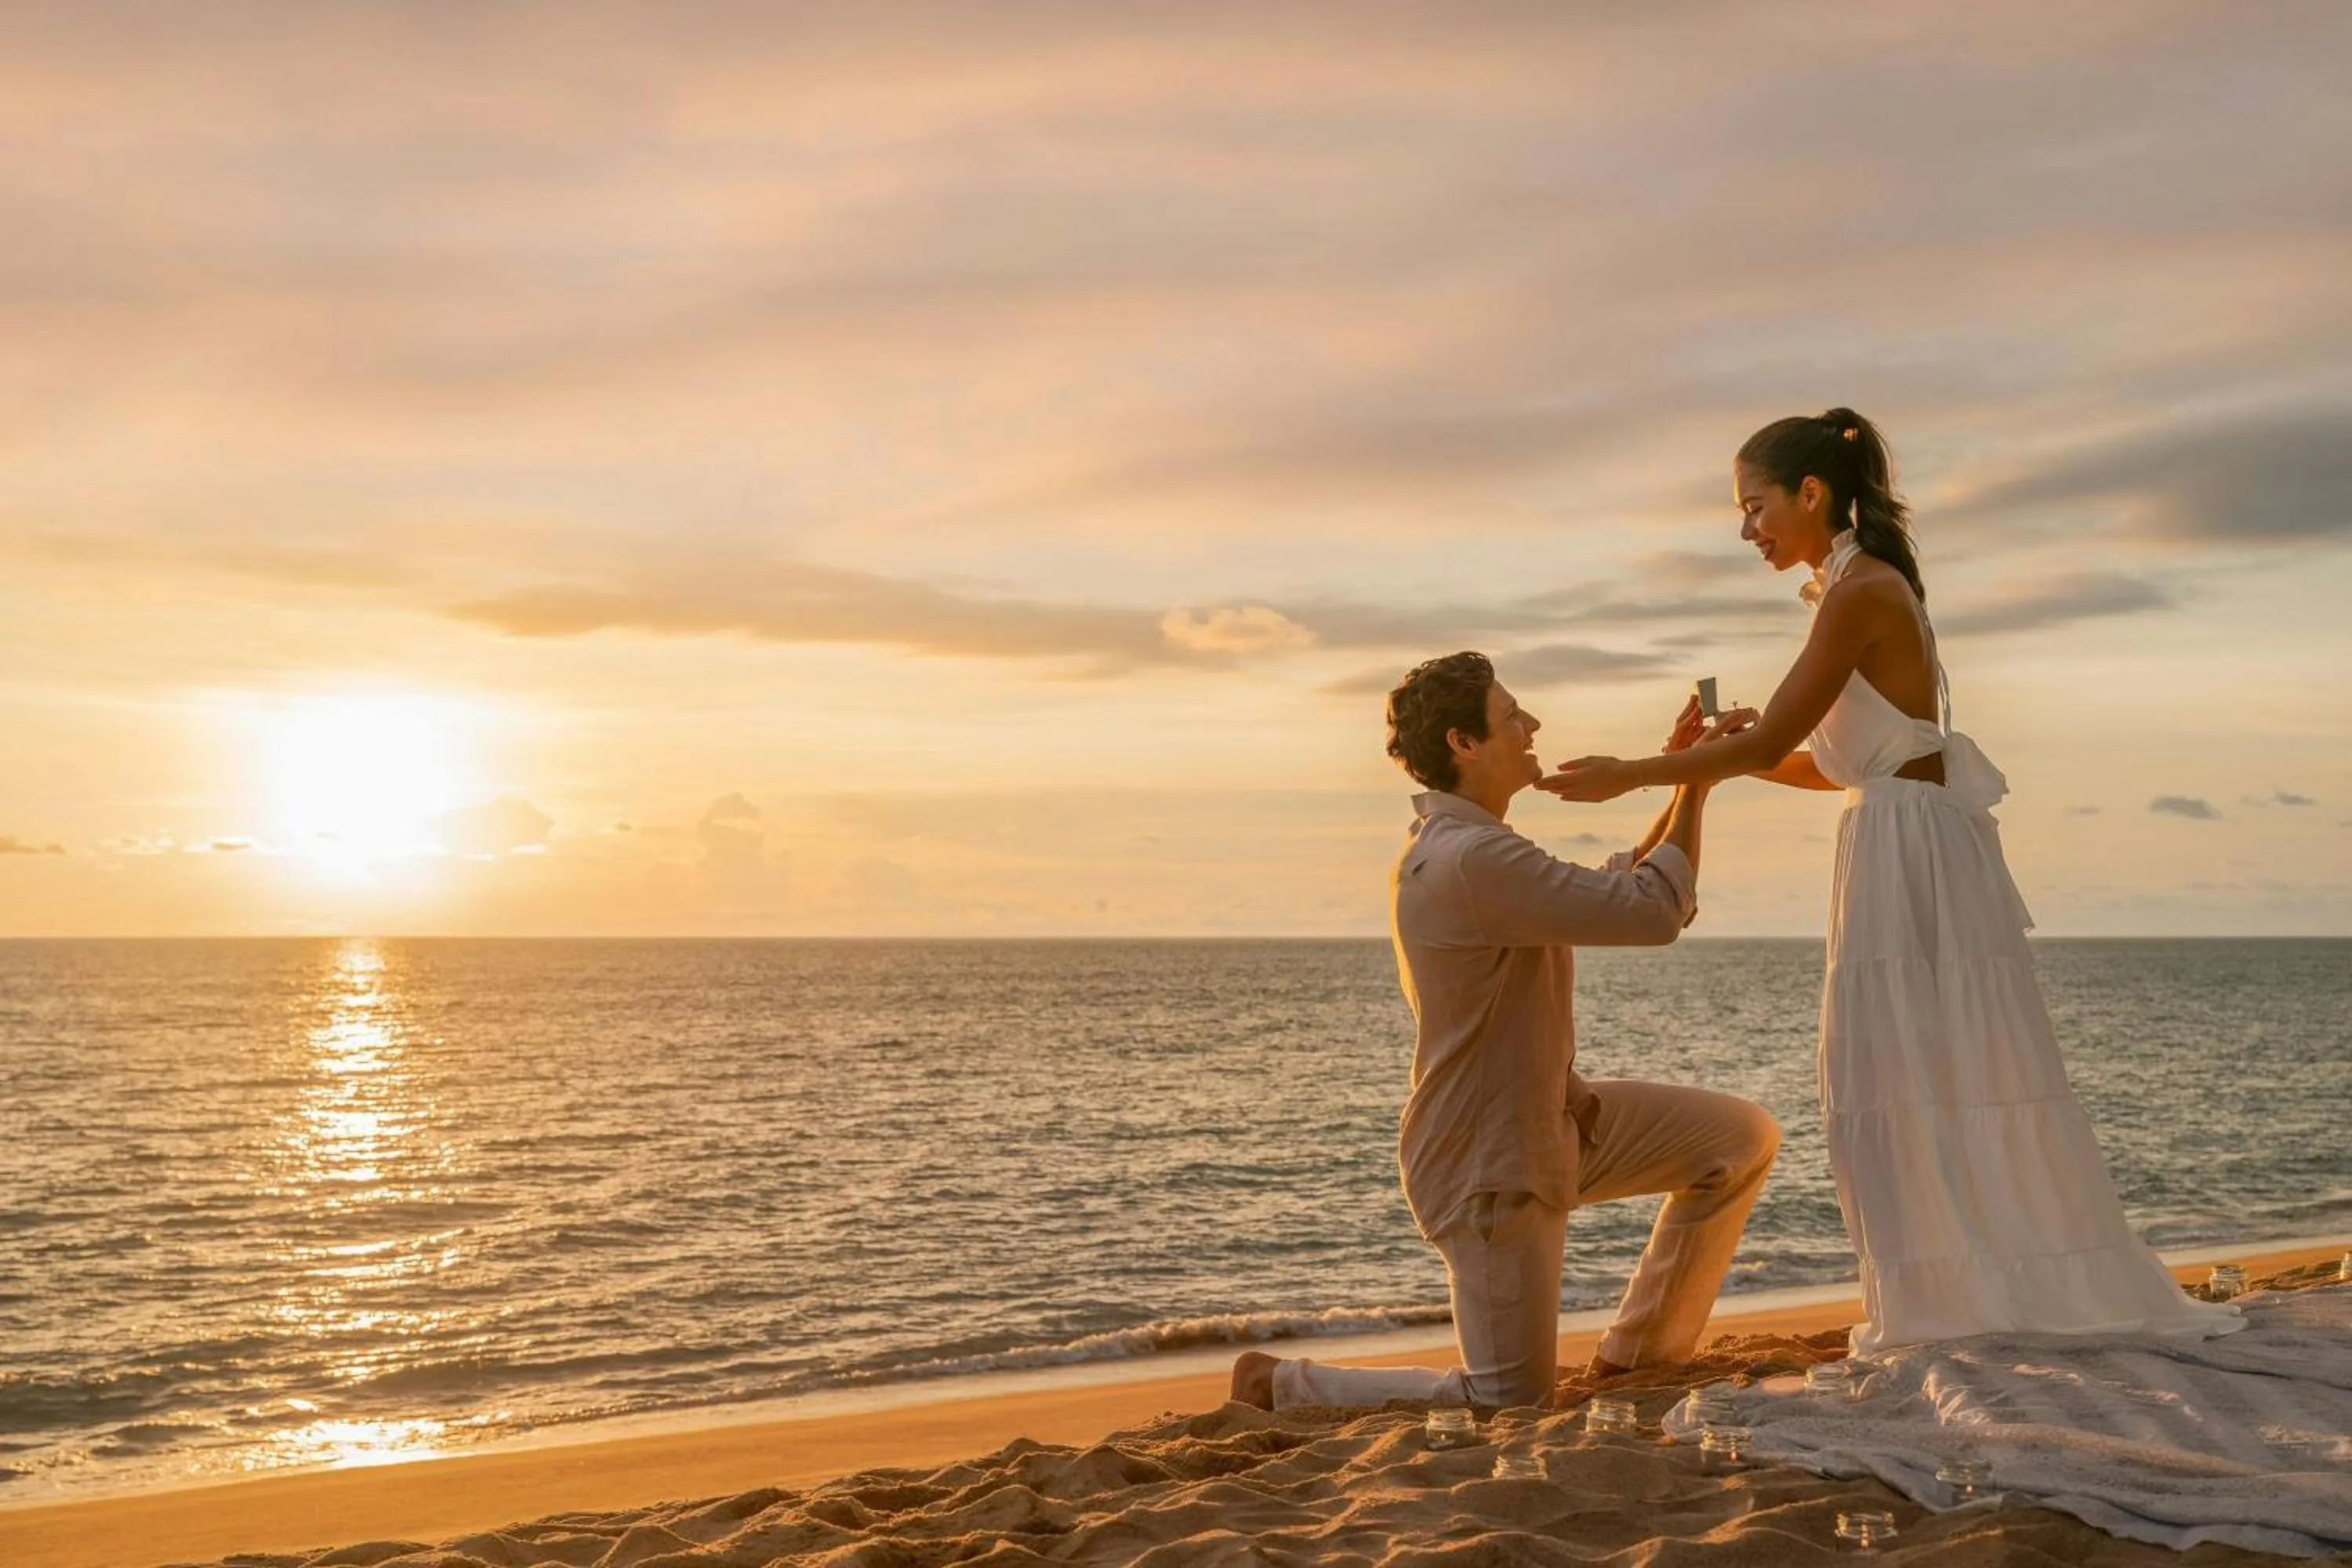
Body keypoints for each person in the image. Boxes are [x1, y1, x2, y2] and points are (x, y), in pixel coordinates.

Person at [1540, 408, 2240, 1352]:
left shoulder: (1861, 589)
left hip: (1908, 849)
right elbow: (1829, 764)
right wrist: (1722, 757)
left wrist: (1633, 771)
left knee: (1917, 1062)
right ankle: (1943, 1295)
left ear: (1812, 494)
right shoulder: (1849, 587)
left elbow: (1782, 739)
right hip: (1888, 832)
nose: (1747, 530)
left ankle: (1960, 1303)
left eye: (1755, 508)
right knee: (1898, 1063)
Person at [1229, 652, 1781, 1412]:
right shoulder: (1468, 858)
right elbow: (1654, 911)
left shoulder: (1481, 848)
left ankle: (1638, 1356)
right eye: (1513, 714)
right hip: (1488, 1157)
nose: (1533, 725)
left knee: (1739, 1139)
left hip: (1552, 1122)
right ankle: (1279, 1382)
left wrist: (1688, 772)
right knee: (1508, 1400)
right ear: (1464, 742)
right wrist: (1692, 777)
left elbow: (1630, 886)